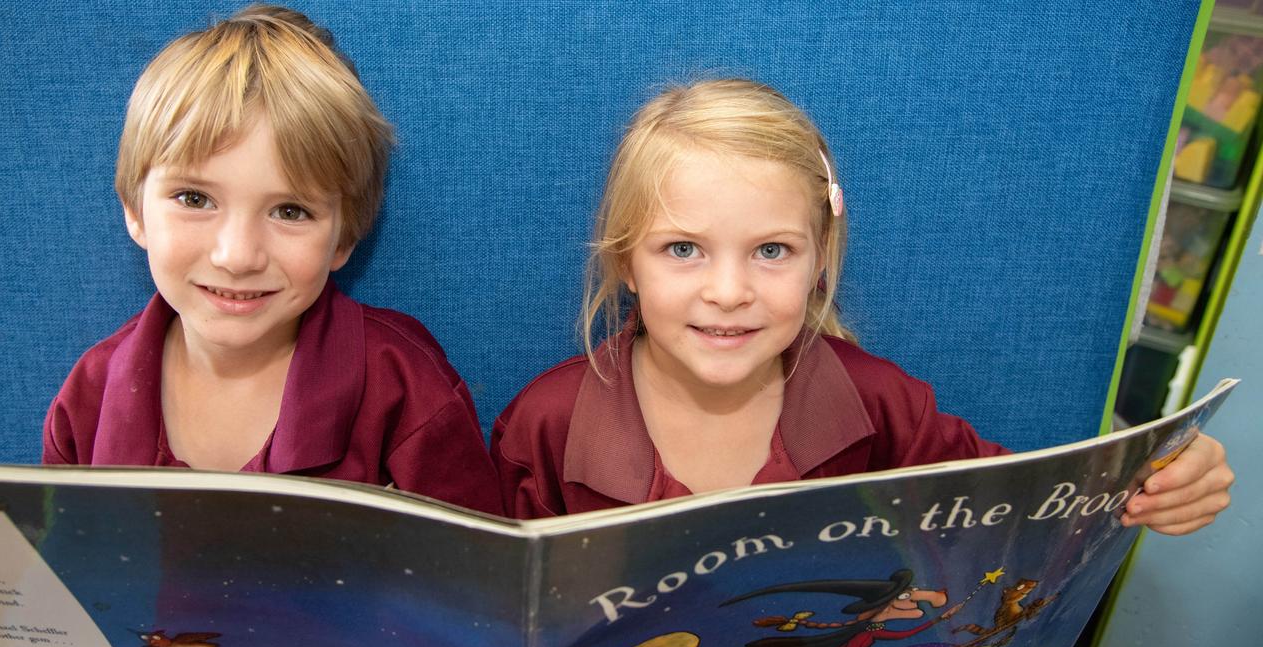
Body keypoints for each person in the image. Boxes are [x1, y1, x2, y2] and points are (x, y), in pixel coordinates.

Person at [490, 78, 1232, 531]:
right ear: (625, 261)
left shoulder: (879, 403)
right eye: (683, 249)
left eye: (771, 251)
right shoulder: (548, 422)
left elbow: (1026, 506)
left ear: (820, 260)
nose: (728, 291)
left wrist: (1159, 476)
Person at [42, 4, 500, 514]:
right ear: (134, 211)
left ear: (345, 238)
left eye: (290, 210)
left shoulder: (401, 386)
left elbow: (474, 579)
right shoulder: (90, 395)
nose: (237, 256)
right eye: (195, 199)